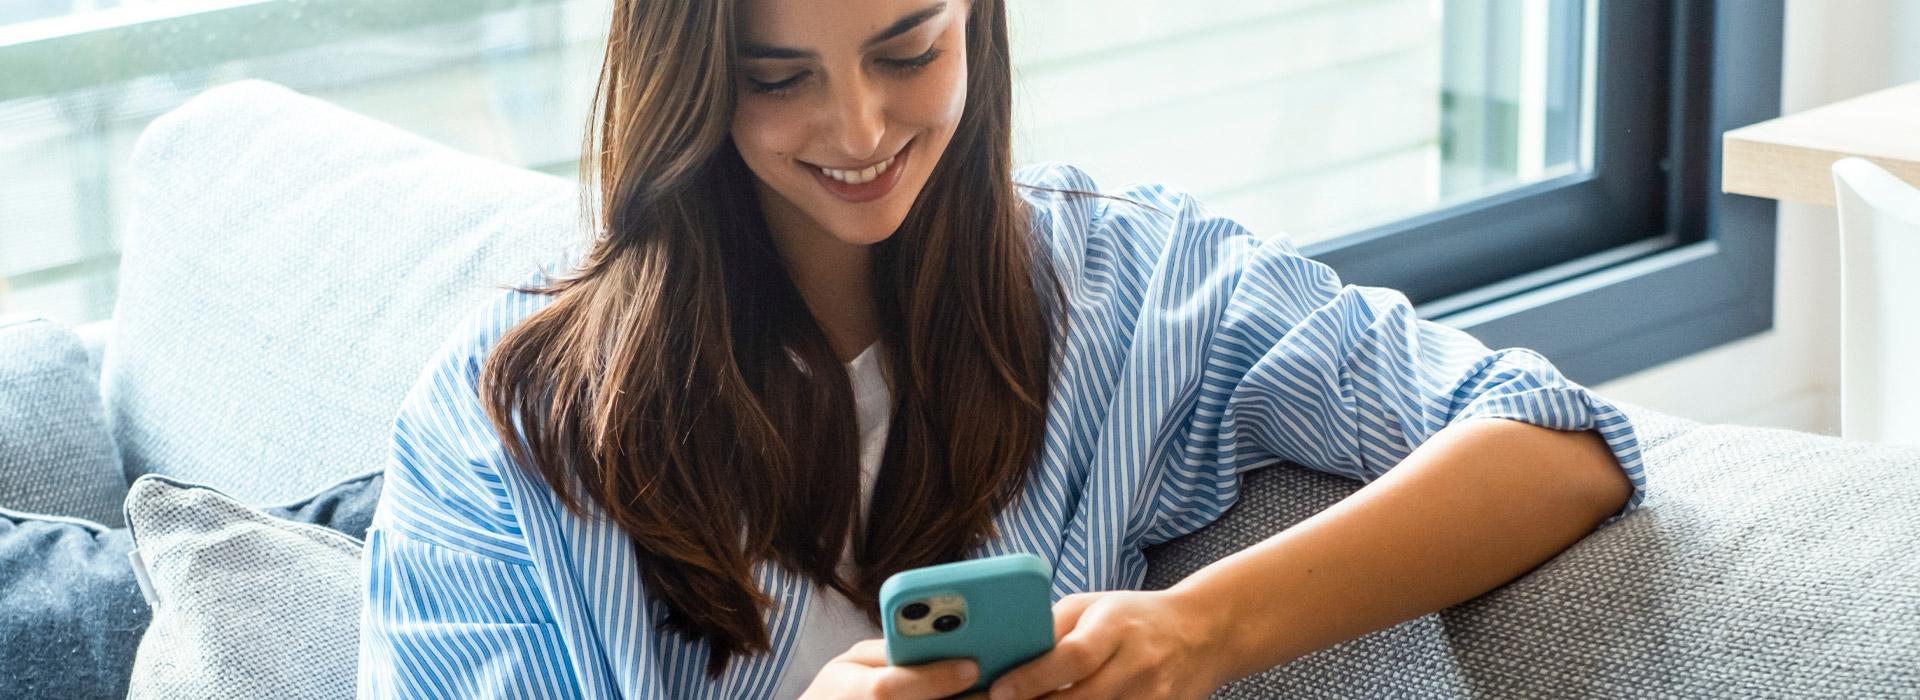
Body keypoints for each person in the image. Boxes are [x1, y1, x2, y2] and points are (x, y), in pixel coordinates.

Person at [356, 0, 1644, 697]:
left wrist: (1199, 630)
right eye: (777, 77)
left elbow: (1555, 439)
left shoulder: (1125, 286)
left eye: (907, 50)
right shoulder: (501, 426)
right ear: (689, 77)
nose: (859, 130)